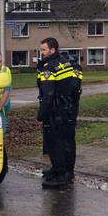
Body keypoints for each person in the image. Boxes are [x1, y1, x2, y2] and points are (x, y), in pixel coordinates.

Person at [37, 37, 83, 188]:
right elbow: (77, 79)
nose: (42, 52)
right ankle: (66, 171)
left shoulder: (49, 67)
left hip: (55, 111)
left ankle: (61, 175)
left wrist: (41, 115)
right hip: (71, 109)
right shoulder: (69, 62)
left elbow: (48, 95)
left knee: (55, 143)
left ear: (52, 50)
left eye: (44, 50)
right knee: (69, 141)